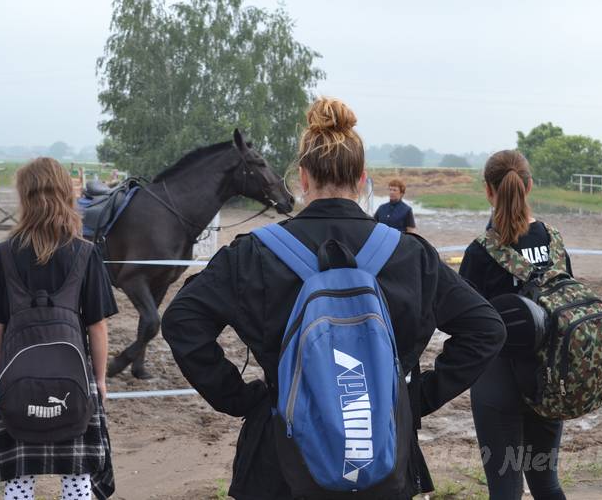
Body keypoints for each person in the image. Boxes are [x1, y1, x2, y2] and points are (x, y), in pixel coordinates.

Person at [162, 97, 506, 500]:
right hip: (383, 458)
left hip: (278, 458)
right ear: (362, 180)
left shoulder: (252, 253)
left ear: (303, 178)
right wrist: (413, 399)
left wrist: (238, 398)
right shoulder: (410, 255)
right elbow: (486, 328)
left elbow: (182, 319)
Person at [0, 157, 117, 500]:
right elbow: (97, 327)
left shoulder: (4, 253)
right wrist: (98, 381)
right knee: (77, 479)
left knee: (18, 477)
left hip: (16, 380)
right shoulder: (86, 253)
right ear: (64, 194)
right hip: (74, 383)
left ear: (25, 197)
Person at [459, 150, 571, 500]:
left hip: (498, 383)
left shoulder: (479, 252)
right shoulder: (553, 242)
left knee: (506, 491)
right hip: (548, 379)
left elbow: (464, 325)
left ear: (488, 190)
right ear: (530, 186)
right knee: (546, 483)